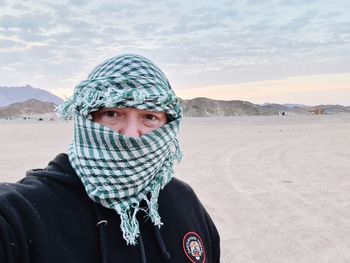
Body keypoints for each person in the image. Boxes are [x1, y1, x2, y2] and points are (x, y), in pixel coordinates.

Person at [0, 54, 220, 262]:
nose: (131, 134)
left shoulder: (186, 203)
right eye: (113, 114)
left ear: (167, 126)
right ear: (87, 120)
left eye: (150, 117)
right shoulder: (24, 214)